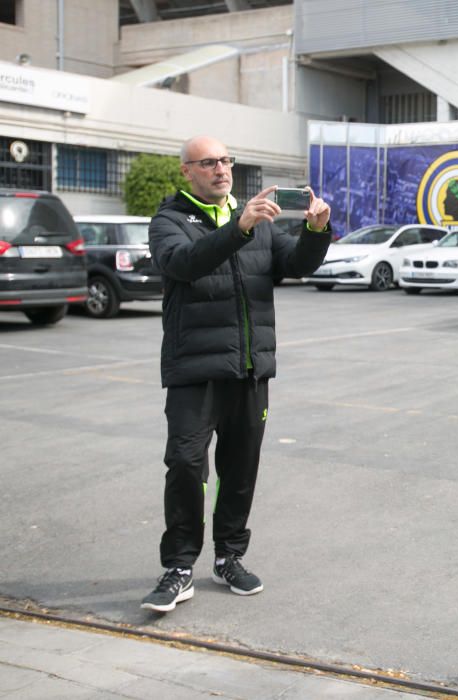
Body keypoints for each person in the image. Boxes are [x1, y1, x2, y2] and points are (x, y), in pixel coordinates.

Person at [140, 135, 332, 613]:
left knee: (240, 468)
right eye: (208, 163)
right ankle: (179, 566)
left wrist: (316, 231)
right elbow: (184, 264)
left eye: (226, 160)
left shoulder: (258, 220)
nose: (221, 169)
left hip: (248, 369)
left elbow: (295, 264)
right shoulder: (170, 220)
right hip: (194, 368)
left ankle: (229, 557)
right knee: (185, 463)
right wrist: (240, 229)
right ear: (187, 171)